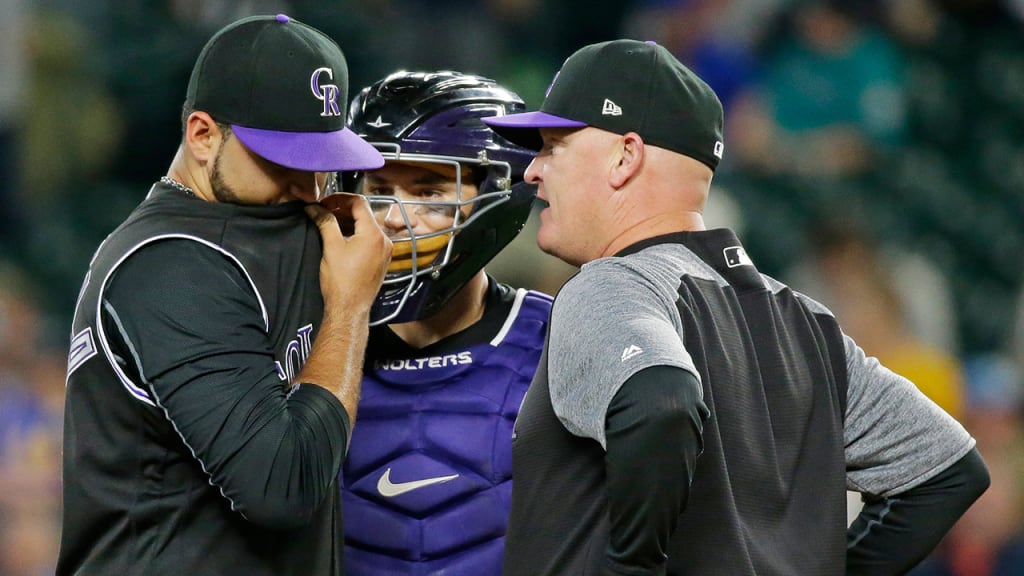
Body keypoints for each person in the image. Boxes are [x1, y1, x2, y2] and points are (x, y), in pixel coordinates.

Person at [481, 39, 990, 575]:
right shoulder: (808, 322)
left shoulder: (611, 285)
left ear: (624, 156)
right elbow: (947, 471)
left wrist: (630, 567)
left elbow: (662, 401)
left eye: (553, 146)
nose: (533, 171)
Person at [57, 14, 392, 576]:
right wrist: (351, 306)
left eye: (321, 163)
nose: (306, 187)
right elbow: (282, 487)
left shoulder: (288, 229)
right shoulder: (165, 263)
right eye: (284, 160)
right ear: (203, 136)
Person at [339, 70, 553, 575]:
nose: (393, 216)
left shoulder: (557, 340)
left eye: (430, 192)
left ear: (496, 195)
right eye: (379, 187)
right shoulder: (311, 337)